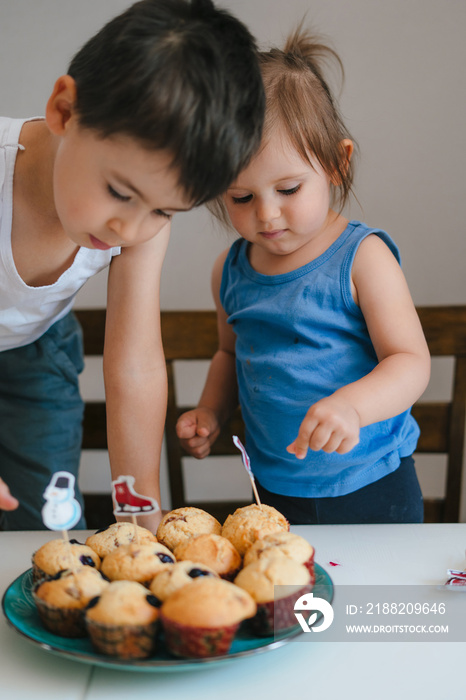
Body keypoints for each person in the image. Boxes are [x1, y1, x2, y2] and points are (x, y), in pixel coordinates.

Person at [0, 0, 264, 531]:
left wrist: (139, 512)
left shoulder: (140, 224)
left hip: (35, 350)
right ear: (65, 111)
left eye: (163, 211)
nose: (132, 228)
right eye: (120, 192)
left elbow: (135, 365)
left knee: (38, 525)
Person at [176, 27, 431, 525]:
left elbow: (410, 361)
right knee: (290, 602)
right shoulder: (229, 271)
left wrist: (353, 407)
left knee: (374, 604)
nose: (267, 215)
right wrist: (211, 410)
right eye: (242, 197)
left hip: (373, 482)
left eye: (288, 188)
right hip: (273, 489)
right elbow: (230, 354)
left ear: (337, 163)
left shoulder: (363, 257)